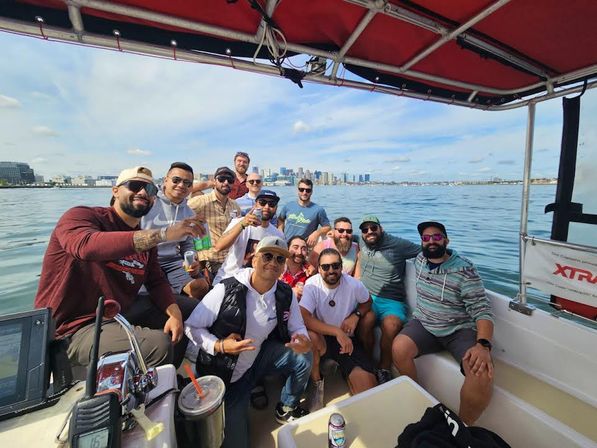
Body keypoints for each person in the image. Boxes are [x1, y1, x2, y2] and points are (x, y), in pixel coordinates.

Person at [34, 166, 205, 368]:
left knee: (194, 310)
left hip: (121, 310)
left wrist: (174, 313)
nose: (143, 192)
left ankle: (166, 384)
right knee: (158, 345)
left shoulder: (145, 241)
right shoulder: (82, 217)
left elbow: (156, 281)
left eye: (150, 190)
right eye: (135, 185)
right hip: (76, 326)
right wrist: (164, 234)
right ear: (115, 190)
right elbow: (84, 246)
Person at [184, 236, 312, 448]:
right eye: (267, 256)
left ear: (283, 268)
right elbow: (191, 327)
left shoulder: (285, 293)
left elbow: (297, 327)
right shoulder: (226, 290)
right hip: (225, 373)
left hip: (258, 358)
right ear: (253, 260)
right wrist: (220, 345)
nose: (273, 262)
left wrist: (303, 340)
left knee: (304, 356)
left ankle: (287, 406)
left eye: (280, 259)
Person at [392, 221, 494, 425]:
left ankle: (462, 429)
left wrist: (483, 345)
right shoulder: (420, 259)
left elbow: (482, 310)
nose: (431, 241)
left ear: (446, 240)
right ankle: (418, 396)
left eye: (437, 237)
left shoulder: (464, 270)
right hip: (425, 323)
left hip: (458, 329)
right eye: (426, 238)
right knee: (398, 348)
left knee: (480, 374)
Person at [300, 248, 377, 410]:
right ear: (319, 268)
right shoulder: (312, 285)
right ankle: (316, 382)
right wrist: (337, 332)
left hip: (348, 340)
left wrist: (355, 315)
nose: (331, 271)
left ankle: (342, 367)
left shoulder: (354, 284)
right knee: (310, 336)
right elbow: (305, 317)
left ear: (342, 267)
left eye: (335, 266)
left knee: (368, 391)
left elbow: (367, 302)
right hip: (323, 338)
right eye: (326, 267)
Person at [354, 215, 421, 384]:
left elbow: (423, 250)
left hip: (392, 300)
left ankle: (384, 367)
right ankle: (367, 361)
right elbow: (346, 237)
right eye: (365, 229)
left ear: (380, 228)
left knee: (391, 325)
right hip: (368, 298)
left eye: (373, 228)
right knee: (365, 321)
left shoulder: (398, 245)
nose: (369, 232)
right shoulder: (362, 241)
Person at [141, 162, 209, 300]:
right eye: (176, 180)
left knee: (201, 286)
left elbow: (187, 244)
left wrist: (191, 259)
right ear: (165, 180)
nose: (181, 185)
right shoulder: (148, 202)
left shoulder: (189, 213)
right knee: (147, 297)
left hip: (172, 261)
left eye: (187, 183)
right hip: (144, 259)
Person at [212, 189, 284, 284]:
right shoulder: (238, 222)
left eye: (271, 204)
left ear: (276, 208)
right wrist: (242, 224)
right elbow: (218, 247)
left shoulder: (278, 235)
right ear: (255, 205)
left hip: (256, 285)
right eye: (262, 203)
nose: (266, 207)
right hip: (230, 278)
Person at [188, 166, 241, 280]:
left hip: (231, 258)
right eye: (222, 179)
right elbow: (181, 196)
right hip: (211, 259)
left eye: (230, 180)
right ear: (215, 181)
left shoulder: (235, 206)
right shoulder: (201, 201)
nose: (226, 182)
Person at [277, 178, 331, 247]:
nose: (304, 192)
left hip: (303, 247)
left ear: (311, 192)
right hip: (285, 244)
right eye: (301, 189)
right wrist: (280, 230)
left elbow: (327, 227)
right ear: (298, 190)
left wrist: (316, 233)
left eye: (308, 190)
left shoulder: (318, 210)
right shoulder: (288, 206)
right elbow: (280, 219)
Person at [280, 235, 315, 300]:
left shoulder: (309, 275)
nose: (299, 252)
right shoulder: (277, 269)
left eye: (303, 249)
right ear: (287, 249)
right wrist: (290, 293)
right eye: (295, 247)